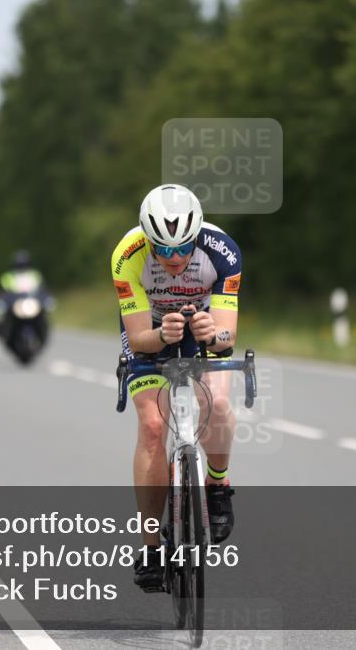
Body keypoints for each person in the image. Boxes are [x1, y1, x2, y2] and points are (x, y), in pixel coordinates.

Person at [111, 184, 243, 591]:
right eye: (161, 250)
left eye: (181, 248)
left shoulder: (223, 252)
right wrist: (160, 334)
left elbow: (227, 337)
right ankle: (151, 547)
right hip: (151, 330)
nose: (173, 258)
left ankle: (217, 484)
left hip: (203, 326)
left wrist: (212, 333)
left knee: (218, 404)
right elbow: (137, 339)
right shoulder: (127, 256)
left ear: (197, 234)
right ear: (147, 240)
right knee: (152, 426)